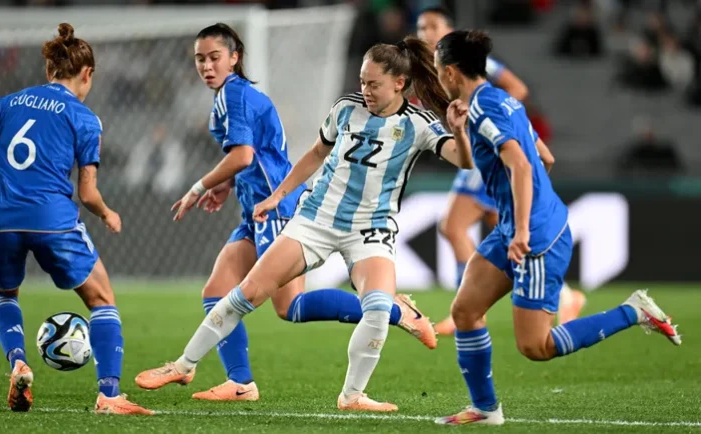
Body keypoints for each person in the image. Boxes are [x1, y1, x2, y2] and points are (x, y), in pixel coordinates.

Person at [137, 36, 473, 412]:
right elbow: (316, 153)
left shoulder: (419, 124)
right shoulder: (347, 108)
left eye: (373, 84)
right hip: (316, 219)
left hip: (371, 229)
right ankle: (183, 365)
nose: (365, 90)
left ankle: (352, 397)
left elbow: (464, 159)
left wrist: (459, 128)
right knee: (248, 293)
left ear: (399, 83)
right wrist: (278, 196)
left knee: (376, 309)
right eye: (362, 81)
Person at [432, 29, 681, 426]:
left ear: (449, 72)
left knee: (537, 346)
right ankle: (486, 409)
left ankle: (632, 312)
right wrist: (460, 132)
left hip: (534, 238)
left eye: (436, 70)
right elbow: (544, 156)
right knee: (465, 311)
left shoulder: (486, 109)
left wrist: (523, 230)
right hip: (521, 224)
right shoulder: (501, 100)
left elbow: (523, 165)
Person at [0, 24, 152, 415]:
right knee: (102, 298)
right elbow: (87, 193)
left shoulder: (10, 102)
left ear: (49, 71)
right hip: (50, 218)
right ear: (86, 74)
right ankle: (109, 395)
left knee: (4, 294)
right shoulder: (85, 118)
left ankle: (18, 362)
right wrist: (107, 212)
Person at [416, 7, 586, 334]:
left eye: (433, 26)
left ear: (449, 28)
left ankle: (465, 305)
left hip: (490, 143)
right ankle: (565, 296)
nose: (426, 32)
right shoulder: (430, 66)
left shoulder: (467, 64)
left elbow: (517, 89)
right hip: (475, 140)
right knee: (500, 223)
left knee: (453, 225)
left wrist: (489, 119)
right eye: (422, 26)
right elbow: (543, 160)